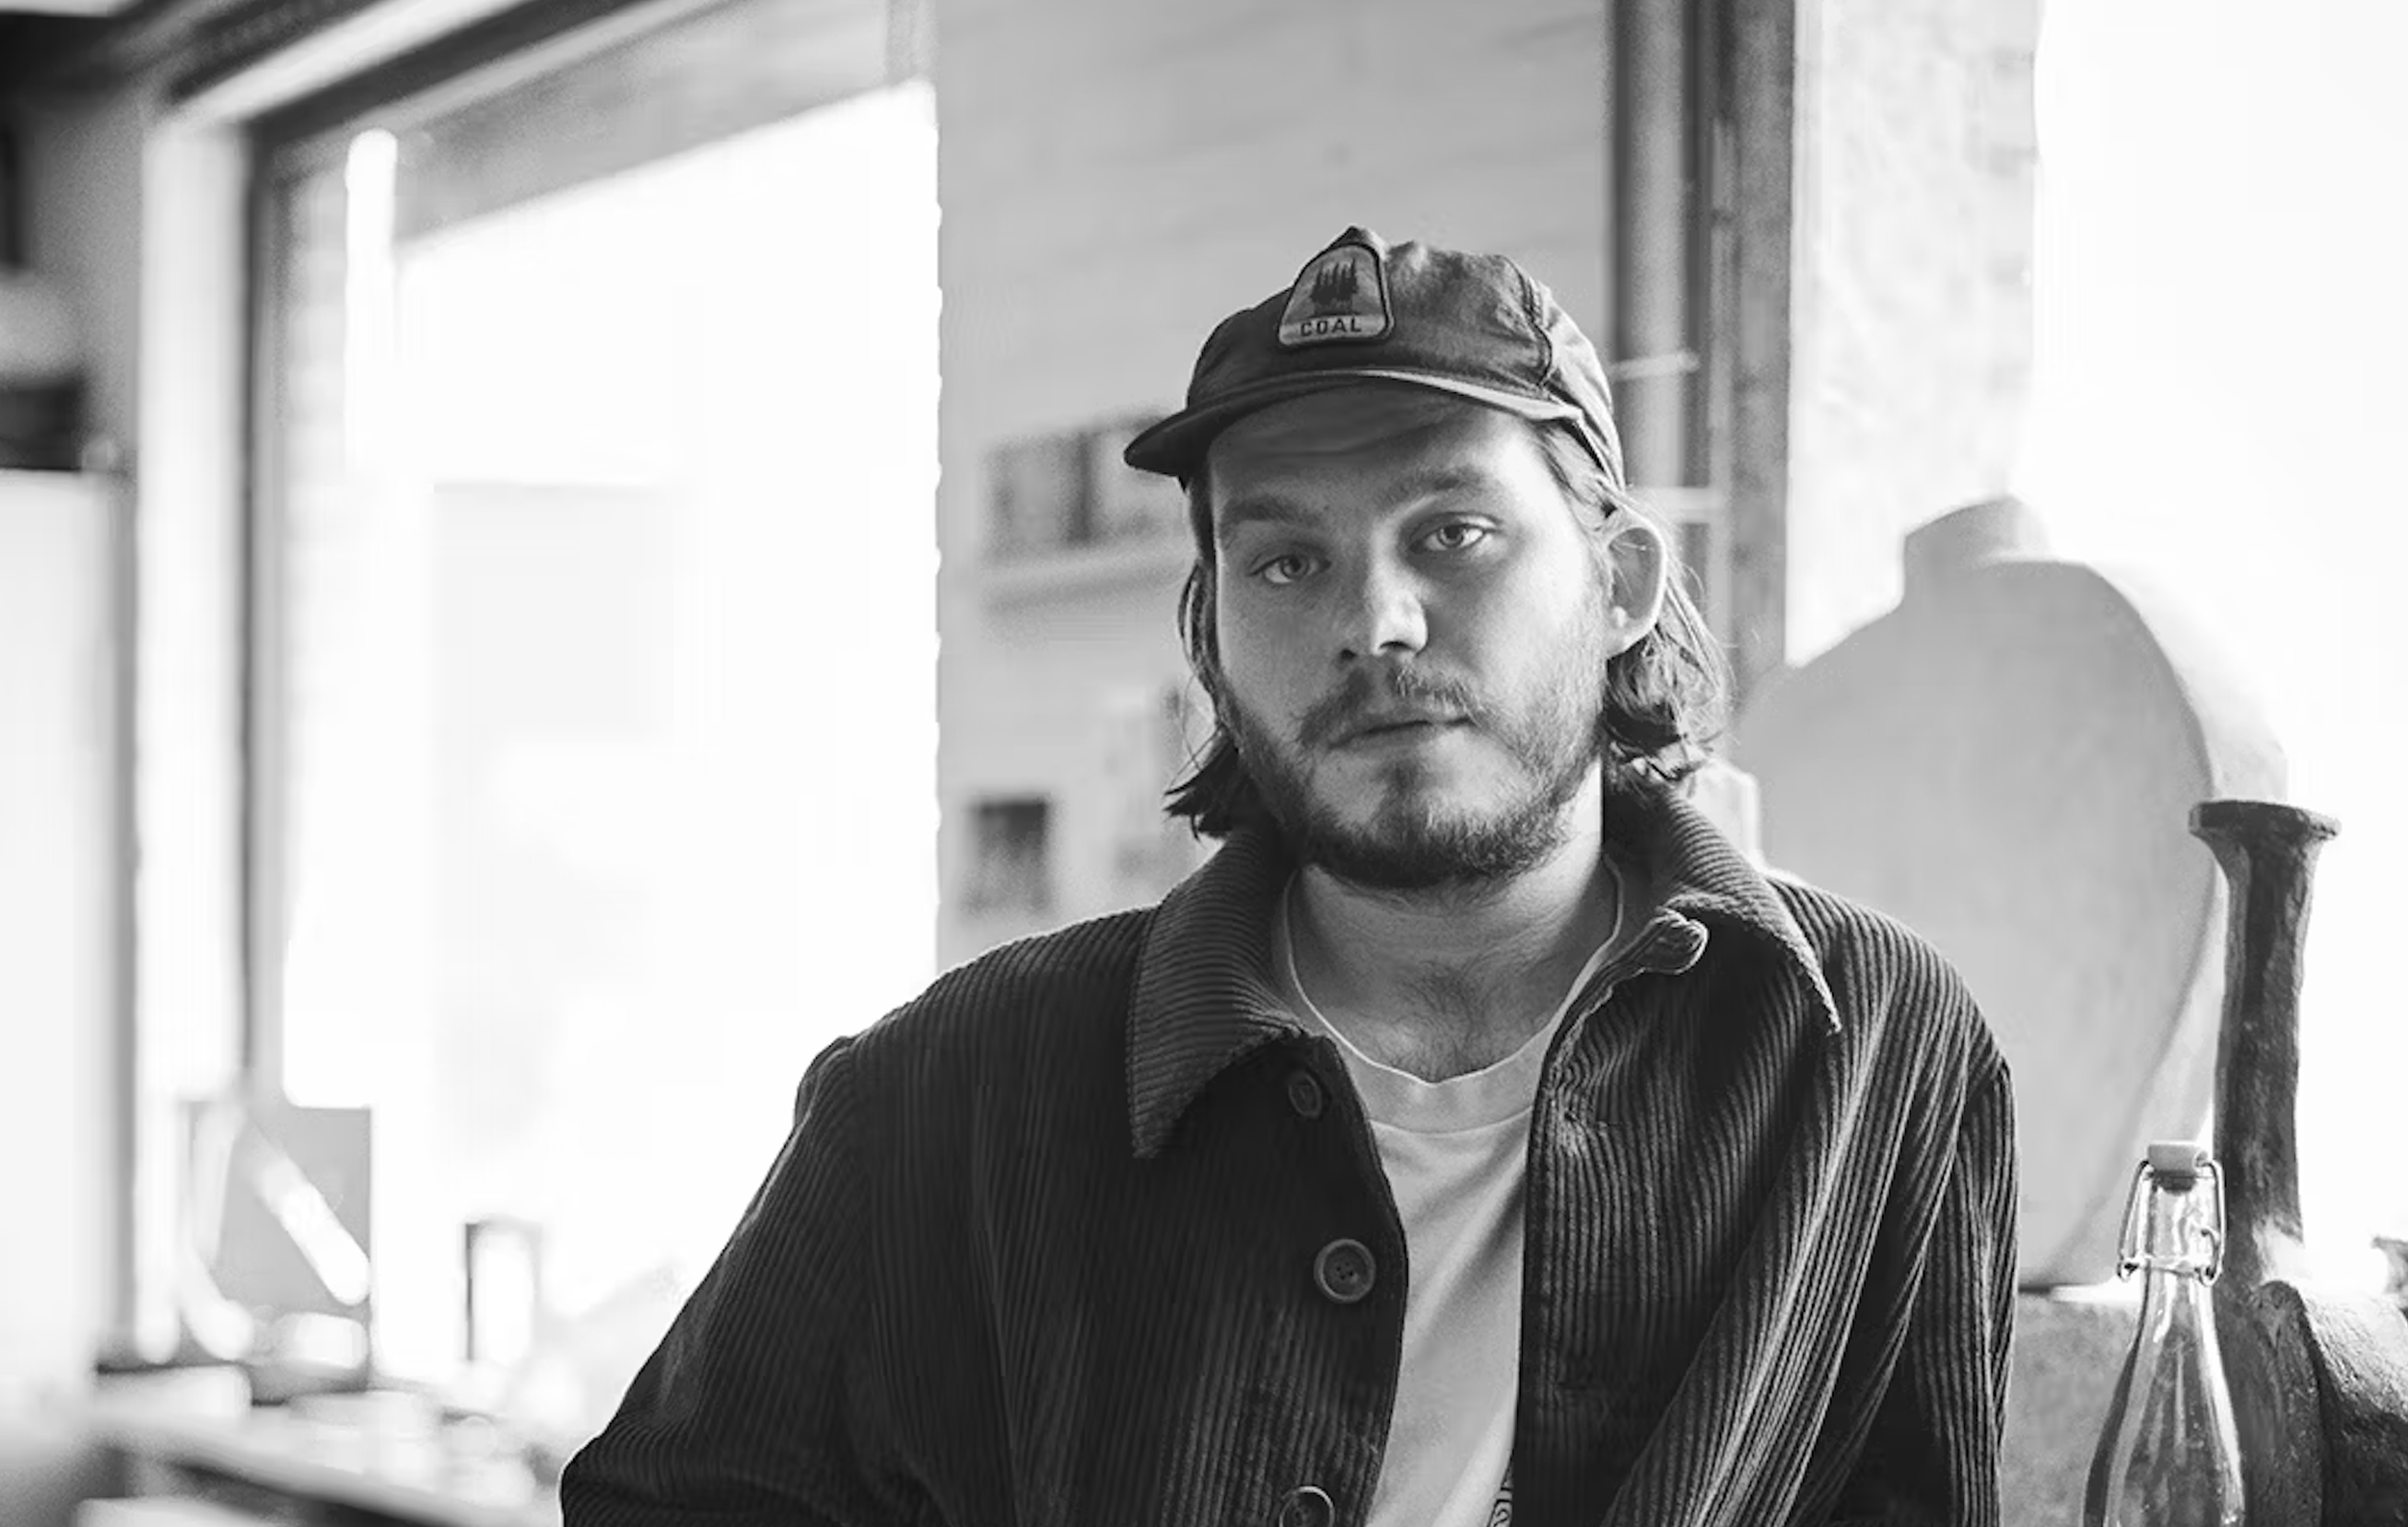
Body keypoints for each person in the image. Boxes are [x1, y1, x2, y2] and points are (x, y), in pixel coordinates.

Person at [562, 226, 2019, 1526]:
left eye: (1454, 534)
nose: (1374, 619)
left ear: (1624, 590)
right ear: (1209, 642)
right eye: (1284, 564)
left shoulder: (1877, 1056)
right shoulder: (949, 1087)